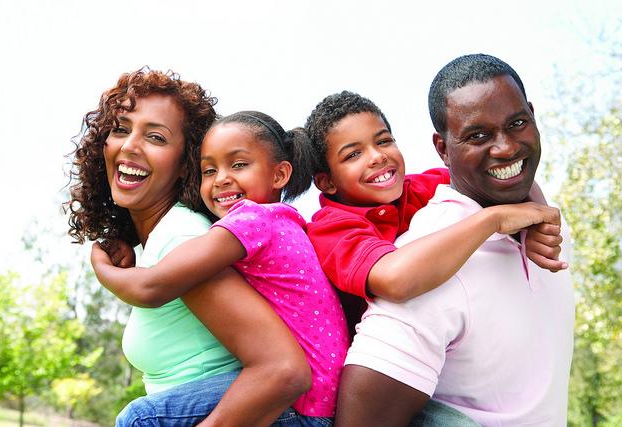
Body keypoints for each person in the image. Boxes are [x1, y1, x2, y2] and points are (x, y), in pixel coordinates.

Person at [337, 54, 575, 426]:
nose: (506, 148)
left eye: (517, 123)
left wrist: (538, 215)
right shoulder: (436, 259)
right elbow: (362, 416)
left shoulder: (546, 226)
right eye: (477, 136)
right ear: (443, 148)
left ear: (532, 114)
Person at [67, 69, 312, 426]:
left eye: (155, 137)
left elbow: (284, 370)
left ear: (186, 165)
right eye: (120, 129)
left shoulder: (183, 239)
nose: (130, 145)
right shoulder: (165, 239)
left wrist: (102, 267)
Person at [91, 111, 350, 425]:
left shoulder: (252, 220)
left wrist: (102, 265)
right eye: (209, 170)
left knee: (141, 418)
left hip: (301, 404)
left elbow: (152, 287)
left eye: (238, 164)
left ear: (280, 175)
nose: (221, 179)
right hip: (323, 403)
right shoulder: (284, 221)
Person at [304, 91, 566, 335]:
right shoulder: (332, 230)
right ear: (327, 182)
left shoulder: (424, 187)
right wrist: (492, 220)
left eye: (383, 141)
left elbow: (503, 177)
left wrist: (537, 223)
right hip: (388, 366)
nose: (377, 157)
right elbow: (395, 281)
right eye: (353, 154)